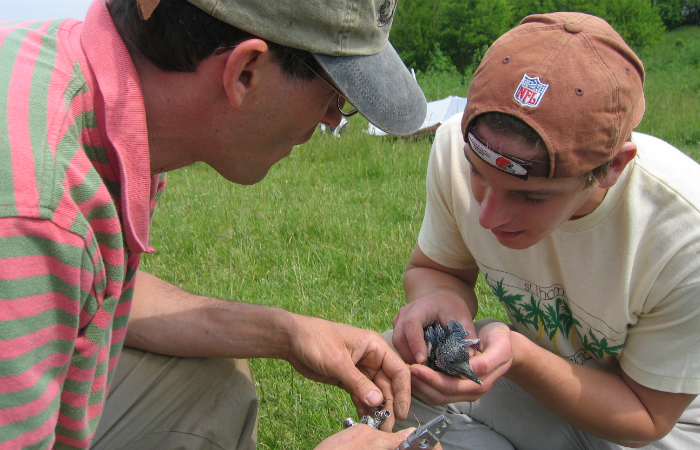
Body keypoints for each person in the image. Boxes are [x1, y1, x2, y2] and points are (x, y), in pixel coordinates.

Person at [0, 0, 429, 448]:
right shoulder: (40, 215)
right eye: (332, 94)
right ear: (245, 71)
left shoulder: (93, 90)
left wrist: (285, 332)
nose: (332, 119)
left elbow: (93, 287)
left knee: (211, 381)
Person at [389, 12, 700, 450]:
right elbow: (436, 269)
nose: (488, 216)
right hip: (539, 392)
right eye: (477, 173)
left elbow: (647, 417)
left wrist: (518, 354)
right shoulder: (451, 150)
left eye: (530, 197)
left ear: (613, 167)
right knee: (396, 373)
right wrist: (439, 298)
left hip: (654, 428)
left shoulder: (686, 231)